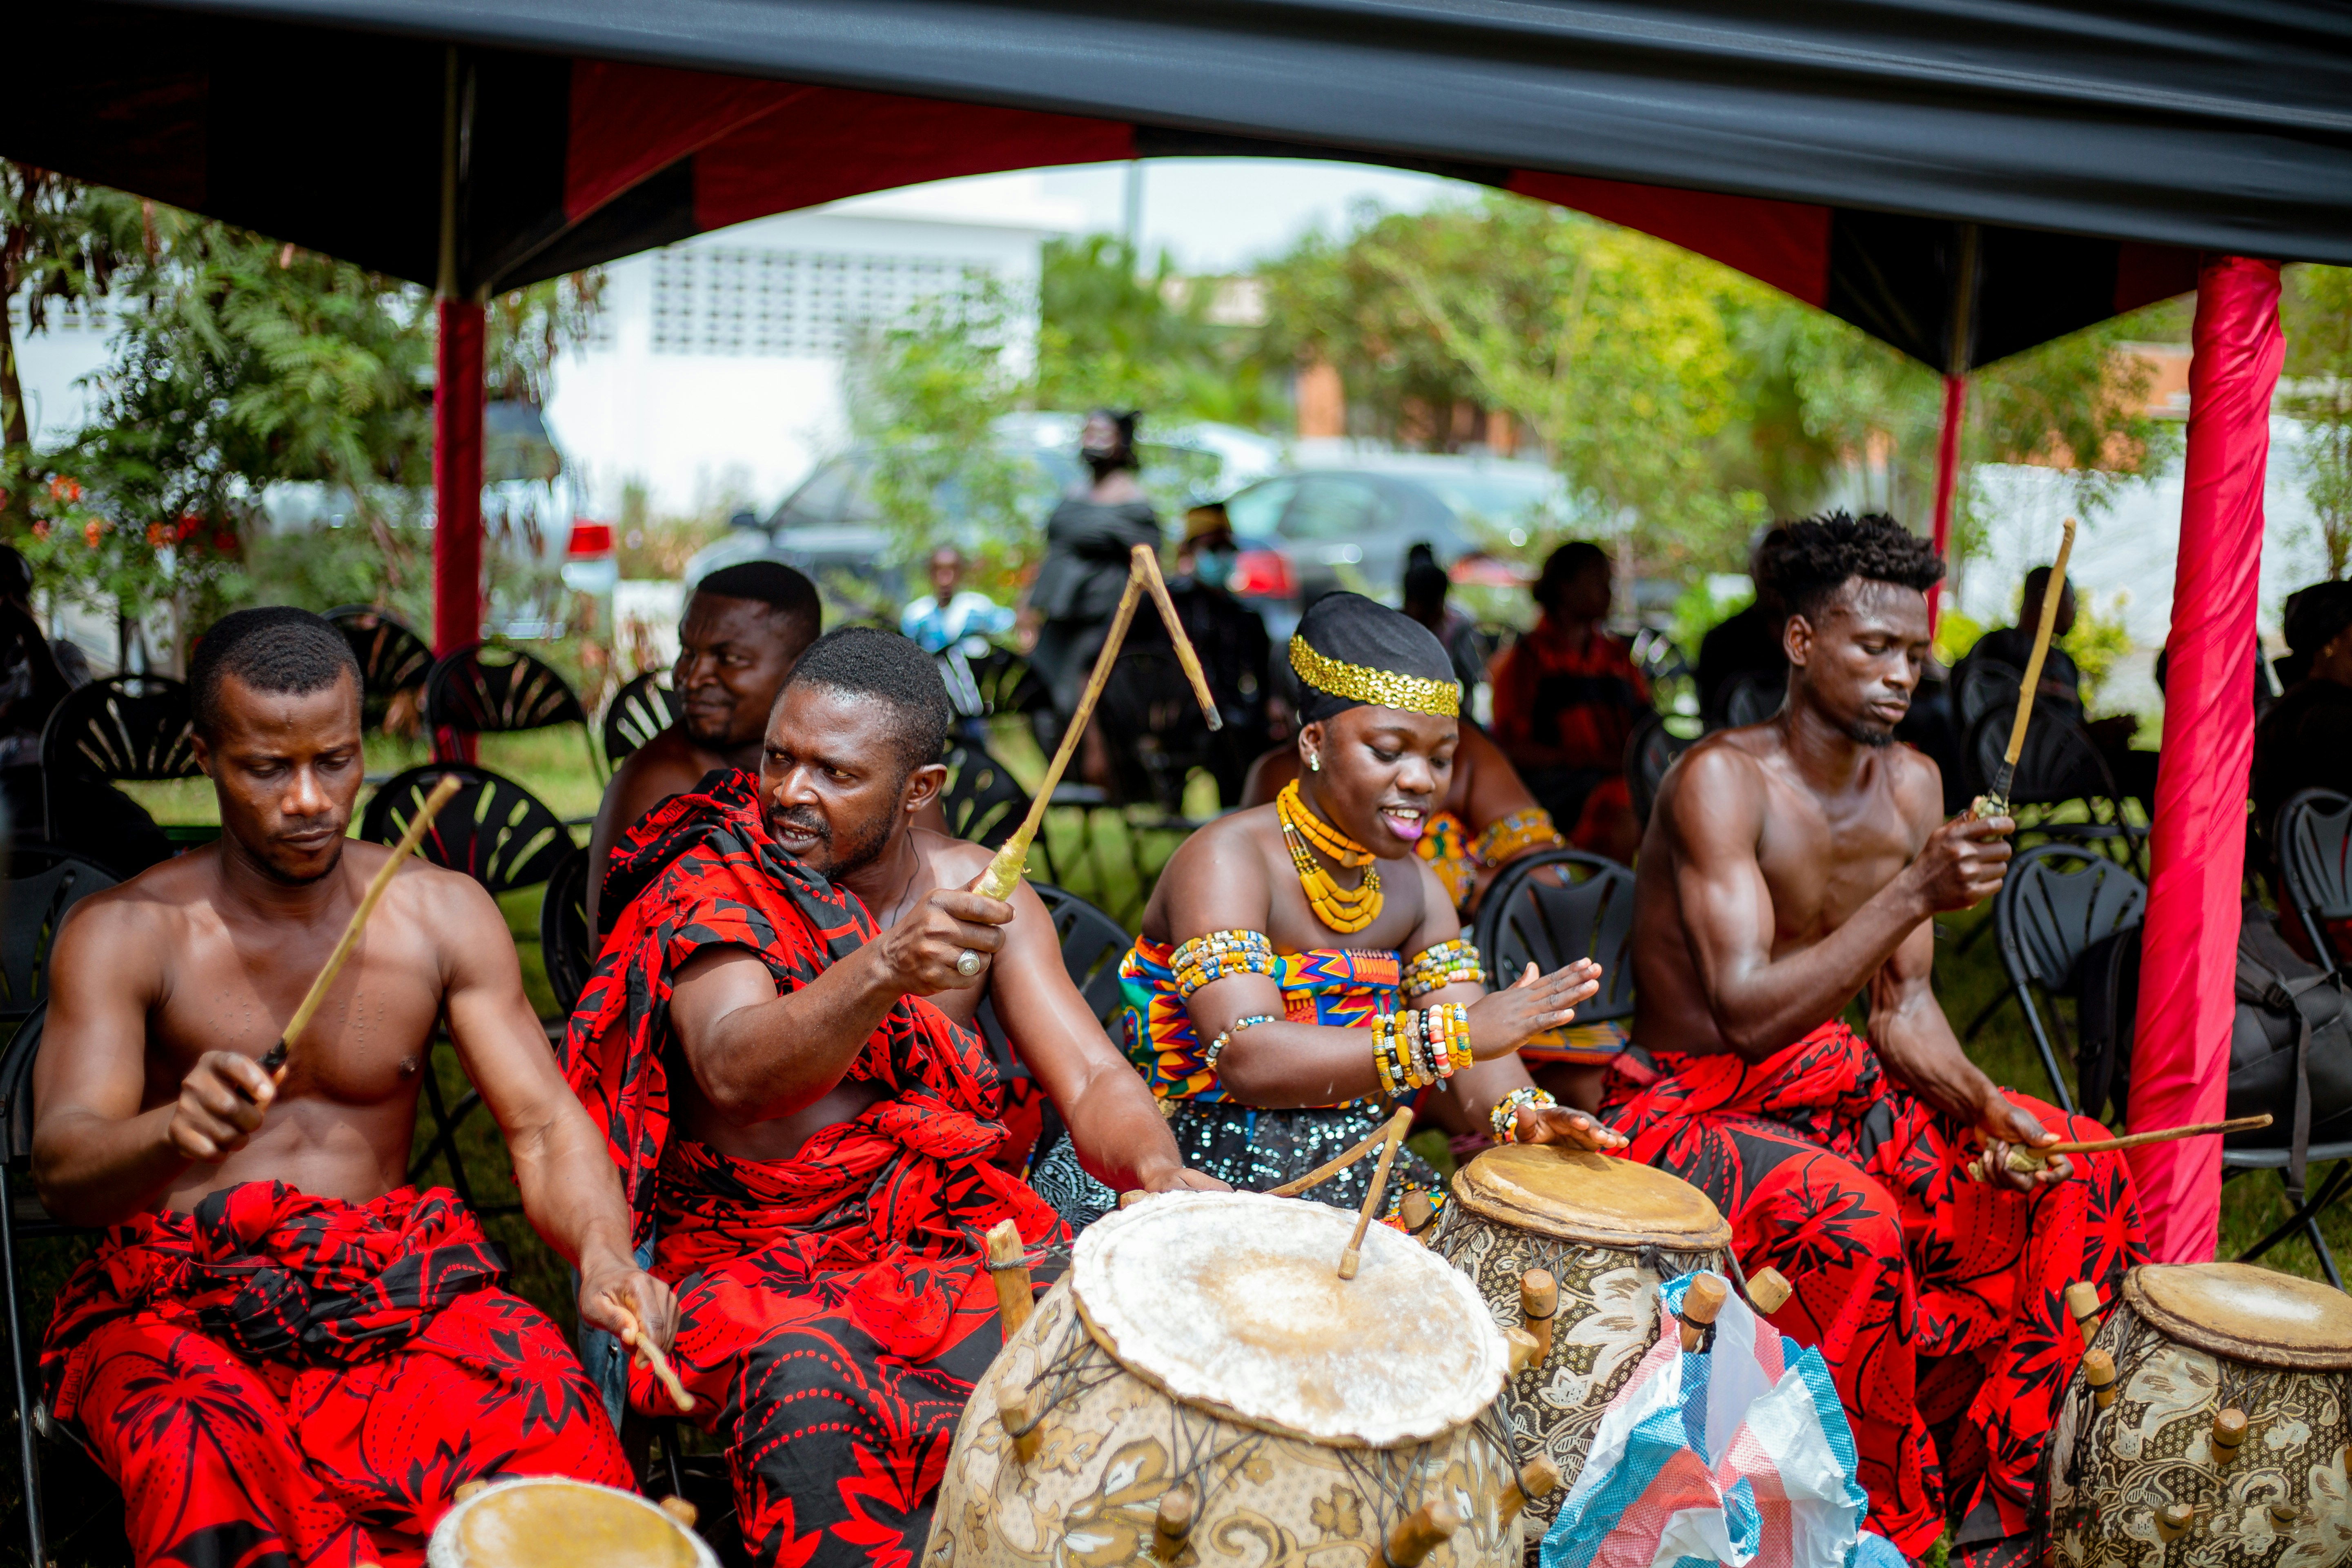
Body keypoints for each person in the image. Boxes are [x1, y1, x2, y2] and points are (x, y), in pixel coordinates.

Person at [32, 606, 670, 1568]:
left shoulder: (438, 913)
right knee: (196, 1461)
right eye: (265, 767)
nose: (307, 798)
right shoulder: (128, 933)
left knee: (551, 1438)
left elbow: (542, 1125)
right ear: (205, 754)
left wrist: (604, 1252)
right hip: (180, 1305)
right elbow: (65, 1169)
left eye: (334, 760)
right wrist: (171, 1130)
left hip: (395, 1286)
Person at [566, 626, 1216, 1568]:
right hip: (753, 1263)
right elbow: (734, 1069)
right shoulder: (713, 879)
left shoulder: (974, 889)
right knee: (807, 1390)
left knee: (1107, 1368)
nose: (789, 792)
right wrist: (882, 967)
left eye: (833, 772)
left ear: (918, 790)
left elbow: (1089, 1074)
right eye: (778, 758)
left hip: (947, 1239)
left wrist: (1153, 1168)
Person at [1609, 514, 2144, 1568]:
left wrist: (1989, 1108)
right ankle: (1854, 1523)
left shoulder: (1911, 786)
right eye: (1872, 647)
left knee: (2073, 1167)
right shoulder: (1721, 780)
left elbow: (1900, 1011)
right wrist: (1912, 890)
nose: (1900, 673)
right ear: (1801, 642)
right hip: (1688, 1105)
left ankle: (2007, 1496)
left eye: (1913, 651)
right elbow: (1746, 1012)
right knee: (1846, 1220)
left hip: (1832, 1089)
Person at [1120, 591, 1626, 1209]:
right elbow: (1247, 1058)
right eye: (1389, 752)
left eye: (1441, 759)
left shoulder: (1415, 886)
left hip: (1349, 1154)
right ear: (1313, 742)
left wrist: (1526, 1116)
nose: (1421, 780)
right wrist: (1454, 1034)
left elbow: (1471, 1043)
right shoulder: (1227, 860)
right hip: (1193, 1162)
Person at [587, 560, 822, 935]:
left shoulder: (850, 762)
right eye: (688, 652)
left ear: (803, 667)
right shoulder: (663, 784)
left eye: (729, 659)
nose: (691, 678)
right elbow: (625, 962)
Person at [1487, 541, 1648, 862]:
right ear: (1565, 587)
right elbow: (1512, 748)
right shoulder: (1525, 661)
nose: (1608, 591)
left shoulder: (1617, 658)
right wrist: (1590, 759)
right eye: (1597, 580)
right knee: (1622, 804)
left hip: (1618, 777)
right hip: (1558, 789)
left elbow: (1646, 722)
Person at [1960, 566, 2156, 808]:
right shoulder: (2001, 647)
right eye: (2071, 601)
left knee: (2156, 765)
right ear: (2047, 597)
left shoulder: (2065, 664)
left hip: (2071, 762)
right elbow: (1999, 717)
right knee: (2152, 770)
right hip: (2031, 769)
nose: (2074, 610)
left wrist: (2104, 732)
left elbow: (2075, 724)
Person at [1026, 409, 1160, 723]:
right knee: (1040, 697)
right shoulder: (1075, 492)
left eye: (1103, 435)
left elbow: (1148, 571)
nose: (1093, 441)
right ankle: (1062, 772)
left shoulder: (1132, 502)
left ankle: (1094, 767)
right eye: (1088, 433)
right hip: (1060, 616)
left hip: (1100, 619)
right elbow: (1052, 550)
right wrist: (1028, 607)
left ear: (1122, 443)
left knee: (1079, 701)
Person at [2255, 578, 2352, 961]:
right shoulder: (2328, 721)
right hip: (2337, 917)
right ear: (2331, 643)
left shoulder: (2291, 713)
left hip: (2310, 914)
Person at [1168, 502, 1275, 805]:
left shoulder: (1243, 615)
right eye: (1212, 549)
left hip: (1234, 712)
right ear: (1189, 553)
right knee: (1226, 733)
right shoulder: (1168, 607)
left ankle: (1248, 810)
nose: (1223, 557)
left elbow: (1262, 672)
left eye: (1228, 548)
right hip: (1182, 717)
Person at [1696, 524, 1793, 724]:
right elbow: (1712, 724)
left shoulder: (1819, 638)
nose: (1776, 573)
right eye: (1768, 564)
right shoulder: (1721, 644)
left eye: (1786, 563)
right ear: (1752, 570)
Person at [1401, 542, 1489, 697]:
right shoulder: (1394, 627)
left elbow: (1472, 678)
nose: (1430, 618)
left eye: (1433, 609)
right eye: (1423, 611)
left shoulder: (1458, 627)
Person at [900, 544, 1015, 653]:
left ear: (961, 573)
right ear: (930, 574)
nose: (945, 579)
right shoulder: (916, 615)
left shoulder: (978, 608)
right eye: (938, 570)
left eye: (952, 570)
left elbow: (1009, 622)